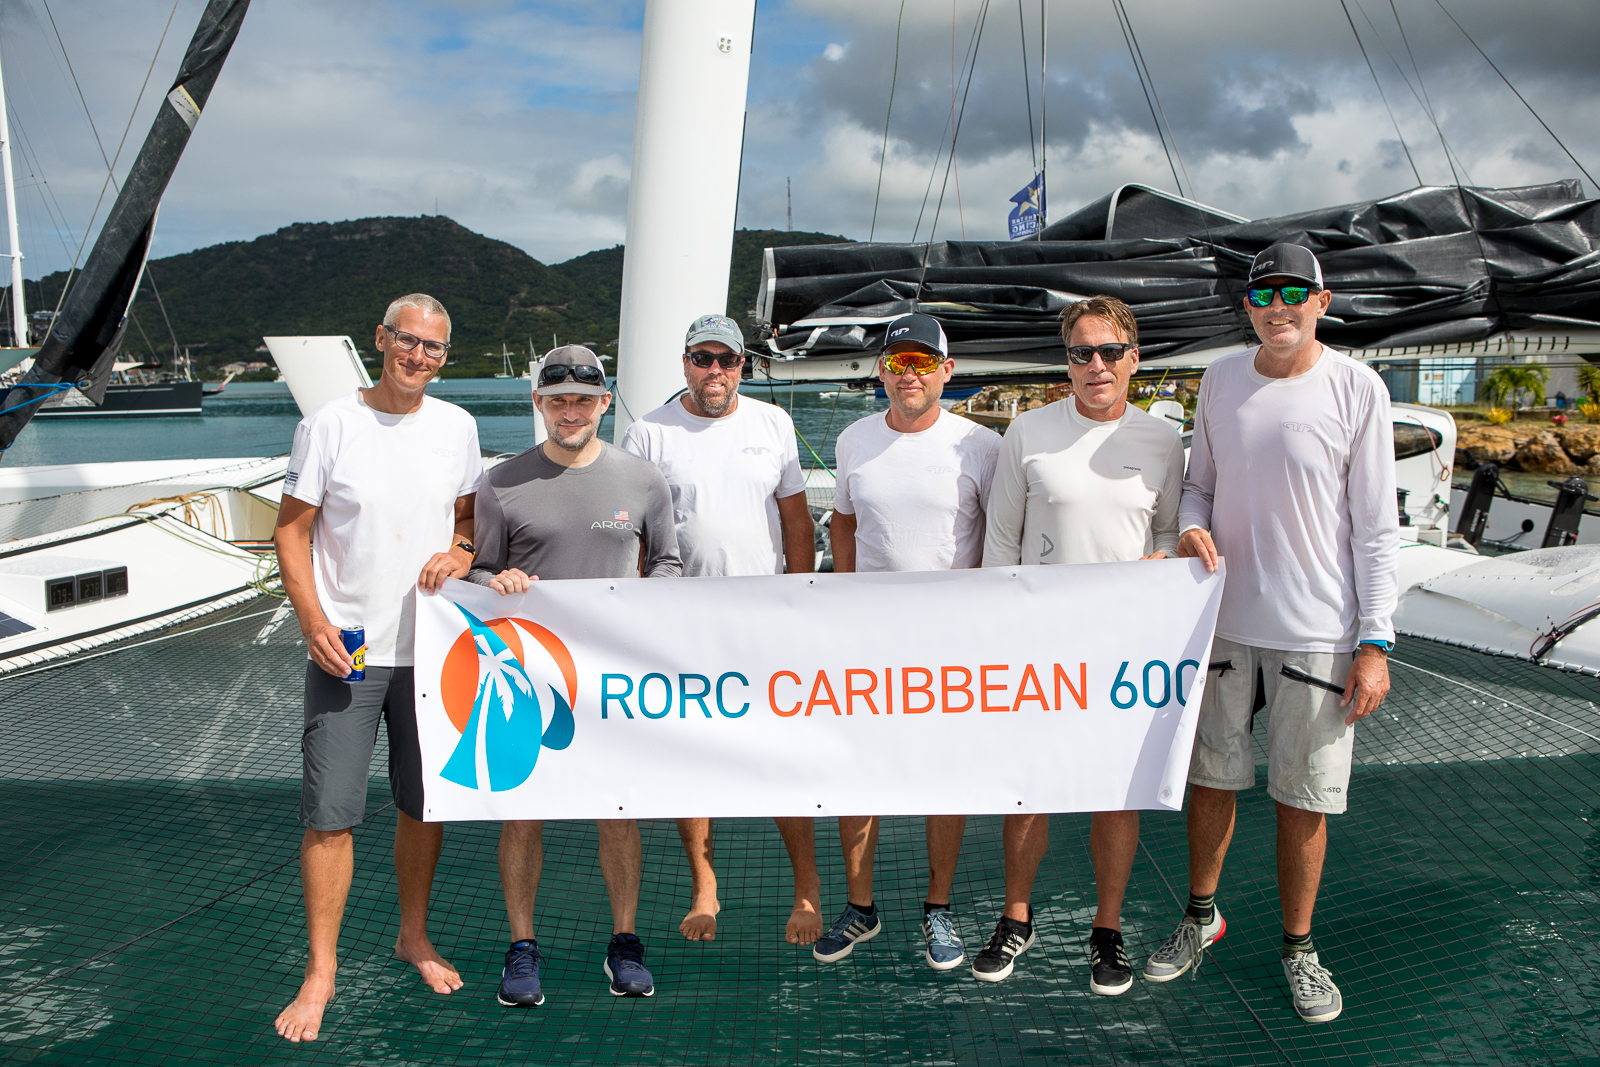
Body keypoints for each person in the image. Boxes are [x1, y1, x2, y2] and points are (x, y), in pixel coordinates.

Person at [1147, 242, 1397, 1025]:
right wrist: (1190, 529)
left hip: (1320, 631)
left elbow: (1376, 528)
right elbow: (1198, 488)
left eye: (1295, 292)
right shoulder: (1219, 380)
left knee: (1303, 796)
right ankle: (1200, 916)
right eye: (1263, 294)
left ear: (1321, 302)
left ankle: (1299, 949)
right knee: (1211, 782)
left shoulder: (1359, 387)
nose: (1278, 305)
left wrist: (1374, 641)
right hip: (1223, 620)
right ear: (1247, 306)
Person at [272, 294, 482, 1043]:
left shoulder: (458, 427)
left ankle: (413, 935)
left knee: (423, 804)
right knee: (330, 815)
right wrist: (314, 623)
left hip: (432, 646)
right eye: (406, 340)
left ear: (443, 357)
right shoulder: (330, 423)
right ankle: (321, 971)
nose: (417, 356)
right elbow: (290, 535)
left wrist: (460, 553)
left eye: (432, 348)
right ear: (381, 338)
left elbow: (467, 522)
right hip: (351, 647)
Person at [981, 294, 1184, 988]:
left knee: (1115, 794)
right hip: (1038, 644)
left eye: (1108, 352)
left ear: (1134, 358)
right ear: (1066, 362)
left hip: (1125, 648)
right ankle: (1016, 917)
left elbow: (1166, 539)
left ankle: (1107, 928)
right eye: (1080, 353)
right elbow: (1000, 543)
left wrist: (1162, 567)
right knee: (1027, 789)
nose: (1095, 365)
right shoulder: (1028, 433)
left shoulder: (1162, 441)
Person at [471, 345, 682, 1007]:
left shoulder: (642, 478)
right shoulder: (500, 481)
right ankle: (522, 946)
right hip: (528, 676)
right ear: (539, 403)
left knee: (617, 812)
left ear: (603, 403)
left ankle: (624, 942)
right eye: (556, 399)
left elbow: (670, 565)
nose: (570, 411)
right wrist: (492, 578)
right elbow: (476, 570)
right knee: (524, 813)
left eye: (583, 400)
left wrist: (645, 609)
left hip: (612, 678)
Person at [620, 313, 823, 946]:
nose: (715, 371)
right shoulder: (647, 433)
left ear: (743, 366)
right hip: (681, 619)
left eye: (727, 360)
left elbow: (795, 518)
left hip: (764, 617)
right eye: (703, 358)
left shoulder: (773, 424)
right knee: (693, 758)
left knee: (782, 754)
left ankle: (809, 891)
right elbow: (631, 529)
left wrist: (800, 595)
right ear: (685, 363)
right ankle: (704, 887)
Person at [811, 313, 999, 972]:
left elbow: (1002, 539)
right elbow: (843, 519)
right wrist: (844, 593)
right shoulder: (854, 440)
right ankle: (861, 906)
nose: (908, 373)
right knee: (853, 773)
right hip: (869, 641)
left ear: (946, 372)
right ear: (882, 370)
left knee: (943, 779)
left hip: (953, 645)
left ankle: (938, 906)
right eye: (897, 362)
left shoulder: (980, 444)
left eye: (923, 362)